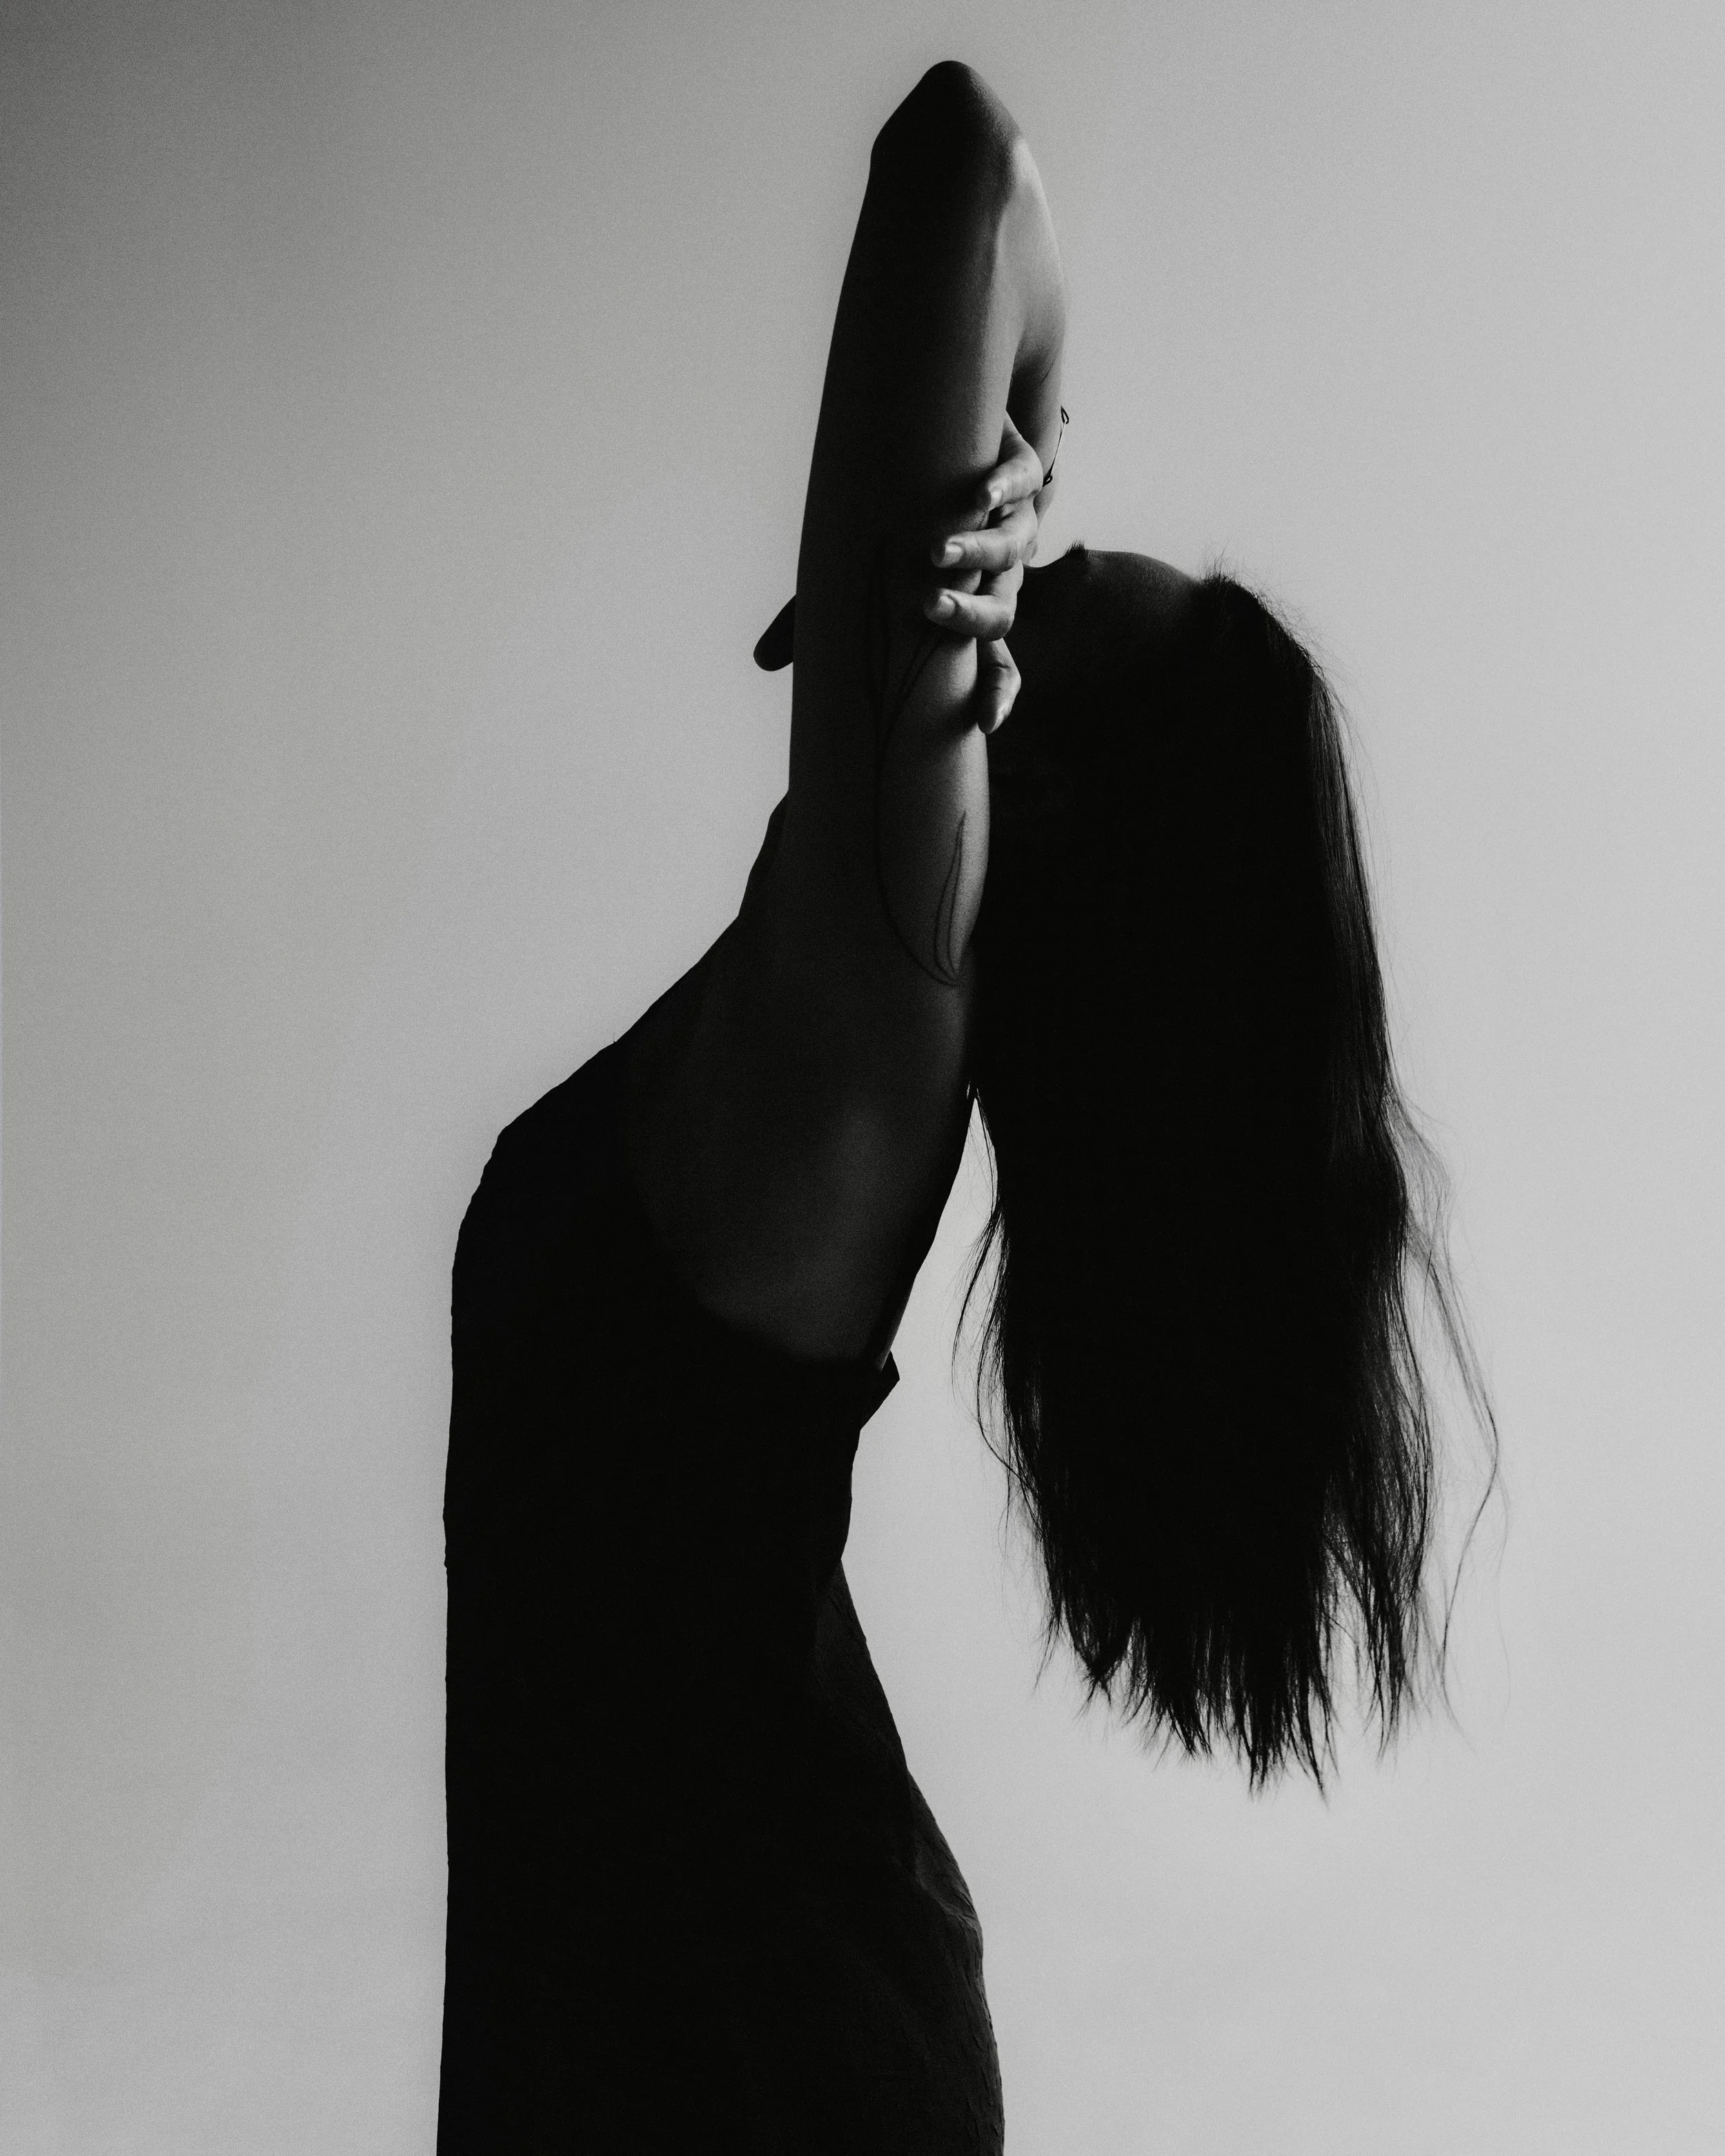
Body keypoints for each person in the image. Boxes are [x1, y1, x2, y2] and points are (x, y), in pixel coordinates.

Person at [436, 59, 1493, 2153]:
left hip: (774, 2057)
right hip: (747, 2024)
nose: (1038, 554)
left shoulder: (881, 973)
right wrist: (927, 564)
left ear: (1073, 812)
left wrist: (962, 504)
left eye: (1069, 595)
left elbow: (963, 156)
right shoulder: (862, 988)